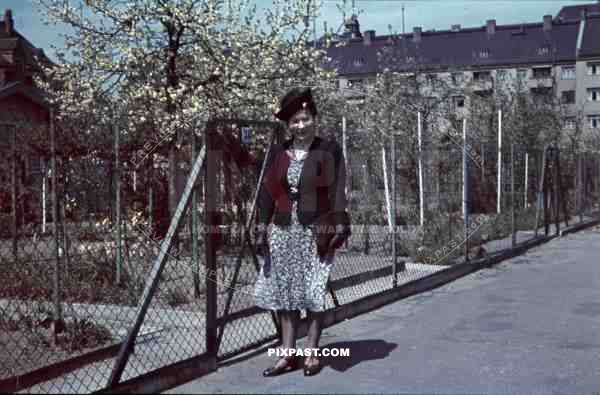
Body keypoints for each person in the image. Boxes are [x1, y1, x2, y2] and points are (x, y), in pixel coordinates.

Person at [253, 87, 351, 377]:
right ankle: (286, 355)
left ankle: (311, 354)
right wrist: (261, 227)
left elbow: (338, 189)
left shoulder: (328, 149)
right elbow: (267, 192)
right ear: (288, 125)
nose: (300, 126)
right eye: (294, 121)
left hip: (316, 231)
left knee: (313, 292)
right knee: (286, 295)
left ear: (314, 118)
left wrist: (341, 224)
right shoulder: (279, 151)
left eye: (304, 119)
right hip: (284, 231)